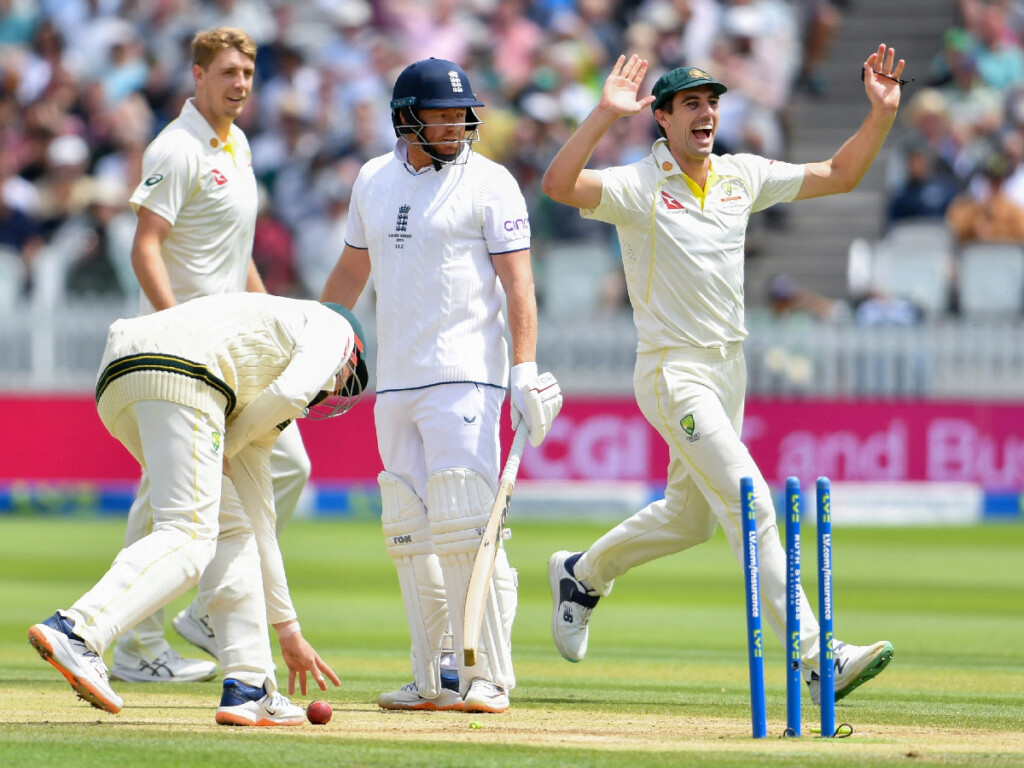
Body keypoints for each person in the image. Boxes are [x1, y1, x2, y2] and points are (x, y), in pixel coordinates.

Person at [540, 48, 901, 705]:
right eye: (691, 104)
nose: (707, 114)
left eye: (712, 103)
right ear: (662, 119)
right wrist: (601, 114)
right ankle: (816, 656)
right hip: (671, 372)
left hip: (727, 369)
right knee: (751, 501)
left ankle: (582, 574)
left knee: (690, 520)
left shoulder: (740, 176)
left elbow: (840, 174)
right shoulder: (636, 186)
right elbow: (559, 186)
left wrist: (880, 114)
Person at [320, 57, 562, 714]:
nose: (457, 124)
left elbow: (519, 285)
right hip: (394, 382)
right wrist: (321, 348)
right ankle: (433, 675)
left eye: (463, 114)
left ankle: (487, 676)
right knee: (408, 531)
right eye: (443, 114)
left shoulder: (492, 183)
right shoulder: (372, 179)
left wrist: (525, 369)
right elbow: (349, 274)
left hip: (466, 378)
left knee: (468, 527)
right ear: (406, 118)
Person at [28, 292, 368, 725]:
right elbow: (291, 389)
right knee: (189, 534)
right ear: (352, 351)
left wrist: (289, 631)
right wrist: (232, 440)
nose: (337, 390)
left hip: (122, 374)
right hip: (186, 373)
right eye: (347, 377)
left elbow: (262, 527)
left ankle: (249, 687)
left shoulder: (254, 406)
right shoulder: (332, 327)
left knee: (233, 528)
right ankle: (77, 630)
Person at [111, 26, 314, 683]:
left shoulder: (240, 143)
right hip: (187, 356)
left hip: (234, 352)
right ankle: (136, 646)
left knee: (289, 466)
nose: (241, 84)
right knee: (165, 502)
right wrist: (175, 332)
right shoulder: (176, 148)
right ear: (197, 76)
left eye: (248, 73)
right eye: (228, 72)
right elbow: (146, 245)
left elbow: (237, 251)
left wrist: (274, 322)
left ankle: (200, 613)